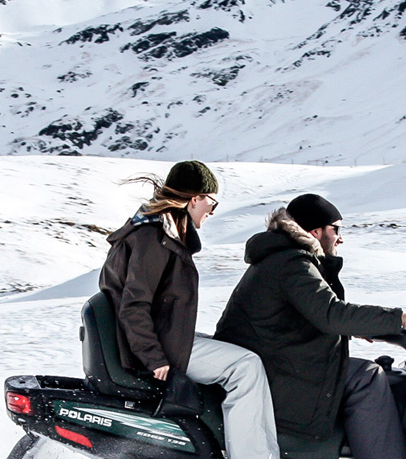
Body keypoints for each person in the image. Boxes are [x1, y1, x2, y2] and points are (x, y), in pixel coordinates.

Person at [214, 193, 406, 459]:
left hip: (273, 360)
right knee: (367, 375)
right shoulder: (293, 263)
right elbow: (331, 313)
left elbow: (307, 312)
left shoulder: (281, 257)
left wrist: (358, 327)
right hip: (275, 371)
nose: (341, 238)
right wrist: (399, 318)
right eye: (336, 229)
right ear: (315, 232)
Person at [98, 160, 279, 459]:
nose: (212, 210)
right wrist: (154, 357)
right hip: (154, 346)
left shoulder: (155, 231)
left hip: (159, 337)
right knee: (247, 367)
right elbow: (134, 306)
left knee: (234, 351)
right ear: (195, 198)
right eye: (212, 201)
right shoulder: (154, 238)